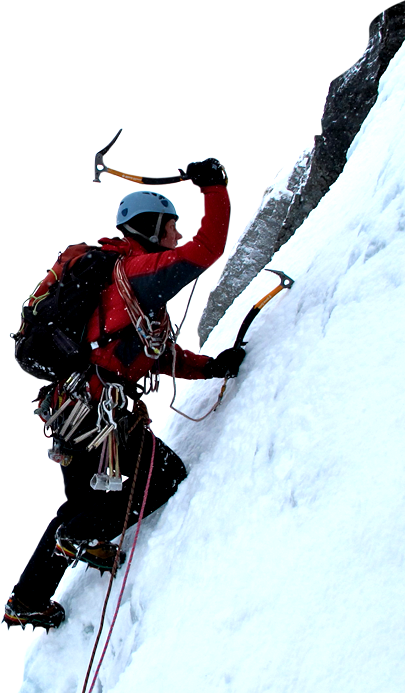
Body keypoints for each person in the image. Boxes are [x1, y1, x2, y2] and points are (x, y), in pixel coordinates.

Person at [2, 157, 245, 632]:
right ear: (150, 228)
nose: (176, 236)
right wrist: (214, 189)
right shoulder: (130, 275)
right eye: (170, 228)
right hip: (98, 418)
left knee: (80, 506)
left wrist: (210, 366)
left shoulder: (116, 290)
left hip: (75, 414)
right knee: (163, 476)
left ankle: (30, 596)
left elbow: (150, 357)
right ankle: (81, 537)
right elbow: (205, 251)